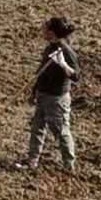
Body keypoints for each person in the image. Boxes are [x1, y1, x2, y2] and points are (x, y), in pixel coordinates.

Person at [17, 16, 80, 170]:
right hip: (43, 94)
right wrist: (34, 92)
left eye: (44, 28)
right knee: (37, 128)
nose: (41, 30)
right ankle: (32, 161)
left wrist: (63, 65)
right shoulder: (49, 48)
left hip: (57, 98)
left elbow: (76, 76)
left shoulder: (65, 50)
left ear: (52, 33)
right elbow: (41, 73)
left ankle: (69, 165)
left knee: (60, 131)